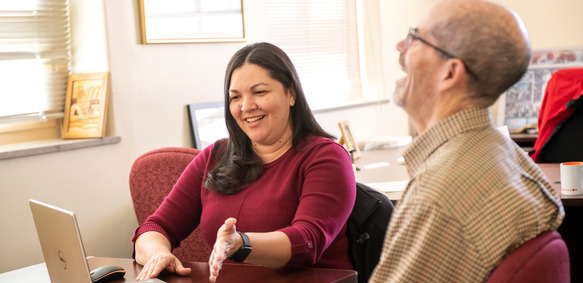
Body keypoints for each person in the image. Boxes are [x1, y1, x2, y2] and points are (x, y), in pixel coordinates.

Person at [370, 0, 564, 282]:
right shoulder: (506, 155)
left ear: (449, 72)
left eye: (415, 37)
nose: (401, 45)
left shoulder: (437, 196)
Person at [132, 42, 356, 282]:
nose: (246, 106)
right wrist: (158, 254)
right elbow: (155, 228)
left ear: (291, 93)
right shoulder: (215, 156)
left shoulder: (326, 157)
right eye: (235, 97)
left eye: (260, 92)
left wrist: (241, 244)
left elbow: (307, 241)